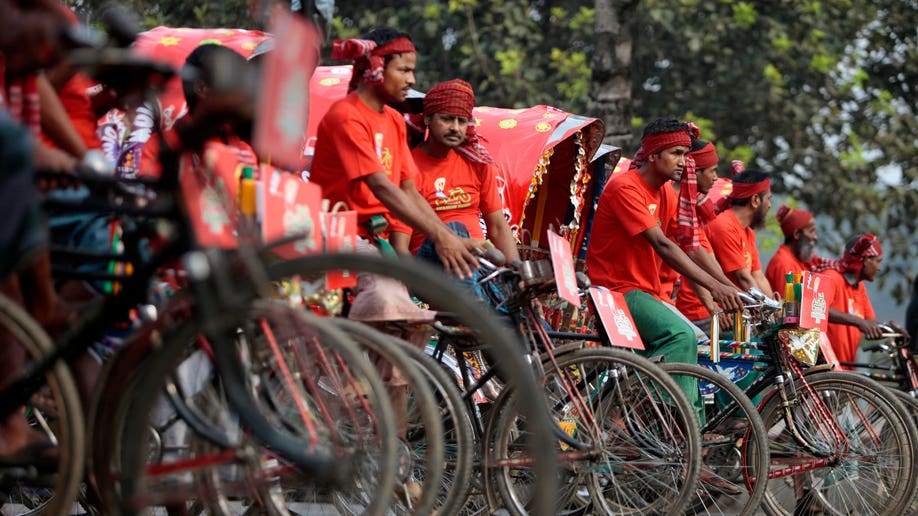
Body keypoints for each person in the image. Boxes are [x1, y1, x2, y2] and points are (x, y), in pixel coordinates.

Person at [585, 118, 743, 411]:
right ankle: (675, 423)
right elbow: (663, 244)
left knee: (695, 342)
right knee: (680, 335)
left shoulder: (666, 194)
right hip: (617, 292)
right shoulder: (626, 187)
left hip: (645, 294)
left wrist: (726, 288)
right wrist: (716, 288)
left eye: (686, 154)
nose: (685, 162)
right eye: (677, 153)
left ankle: (663, 426)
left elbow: (688, 246)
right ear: (654, 155)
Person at [309, 28, 480, 276]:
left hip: (375, 240)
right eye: (404, 70)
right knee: (389, 301)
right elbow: (381, 186)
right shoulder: (346, 116)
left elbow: (408, 190)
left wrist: (447, 236)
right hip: (338, 234)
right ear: (376, 68)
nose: (411, 80)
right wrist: (441, 237)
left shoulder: (394, 120)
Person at [408, 78, 520, 270]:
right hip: (432, 266)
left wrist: (517, 270)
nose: (455, 127)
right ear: (427, 119)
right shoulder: (407, 165)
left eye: (461, 121)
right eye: (447, 119)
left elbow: (497, 225)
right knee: (455, 230)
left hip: (479, 261)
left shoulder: (477, 162)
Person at [670, 139, 737, 332]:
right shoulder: (677, 203)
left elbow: (697, 257)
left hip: (679, 299)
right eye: (712, 170)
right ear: (695, 171)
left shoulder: (690, 210)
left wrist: (729, 289)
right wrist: (720, 297)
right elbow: (691, 256)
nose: (716, 177)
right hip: (691, 309)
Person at [705, 168, 774, 298]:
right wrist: (766, 308)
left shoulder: (748, 231)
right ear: (755, 200)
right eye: (768, 199)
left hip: (729, 309)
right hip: (705, 311)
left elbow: (758, 277)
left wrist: (776, 312)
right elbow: (744, 278)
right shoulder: (724, 226)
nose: (769, 205)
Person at [823, 233, 887, 367]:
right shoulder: (832, 278)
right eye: (878, 261)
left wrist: (892, 328)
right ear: (865, 260)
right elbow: (819, 309)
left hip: (846, 369)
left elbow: (869, 322)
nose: (879, 268)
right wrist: (859, 322)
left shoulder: (860, 287)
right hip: (826, 369)